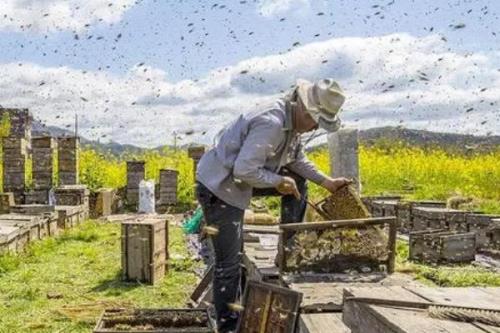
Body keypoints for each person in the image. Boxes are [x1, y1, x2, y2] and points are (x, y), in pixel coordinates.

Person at [195, 78, 351, 332]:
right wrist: (278, 181)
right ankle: (228, 327)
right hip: (220, 186)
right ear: (303, 107)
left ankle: (288, 249)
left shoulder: (292, 126)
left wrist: (328, 182)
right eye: (314, 120)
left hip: (240, 179)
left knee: (298, 183)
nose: (313, 128)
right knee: (229, 262)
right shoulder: (272, 122)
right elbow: (243, 169)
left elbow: (297, 160)